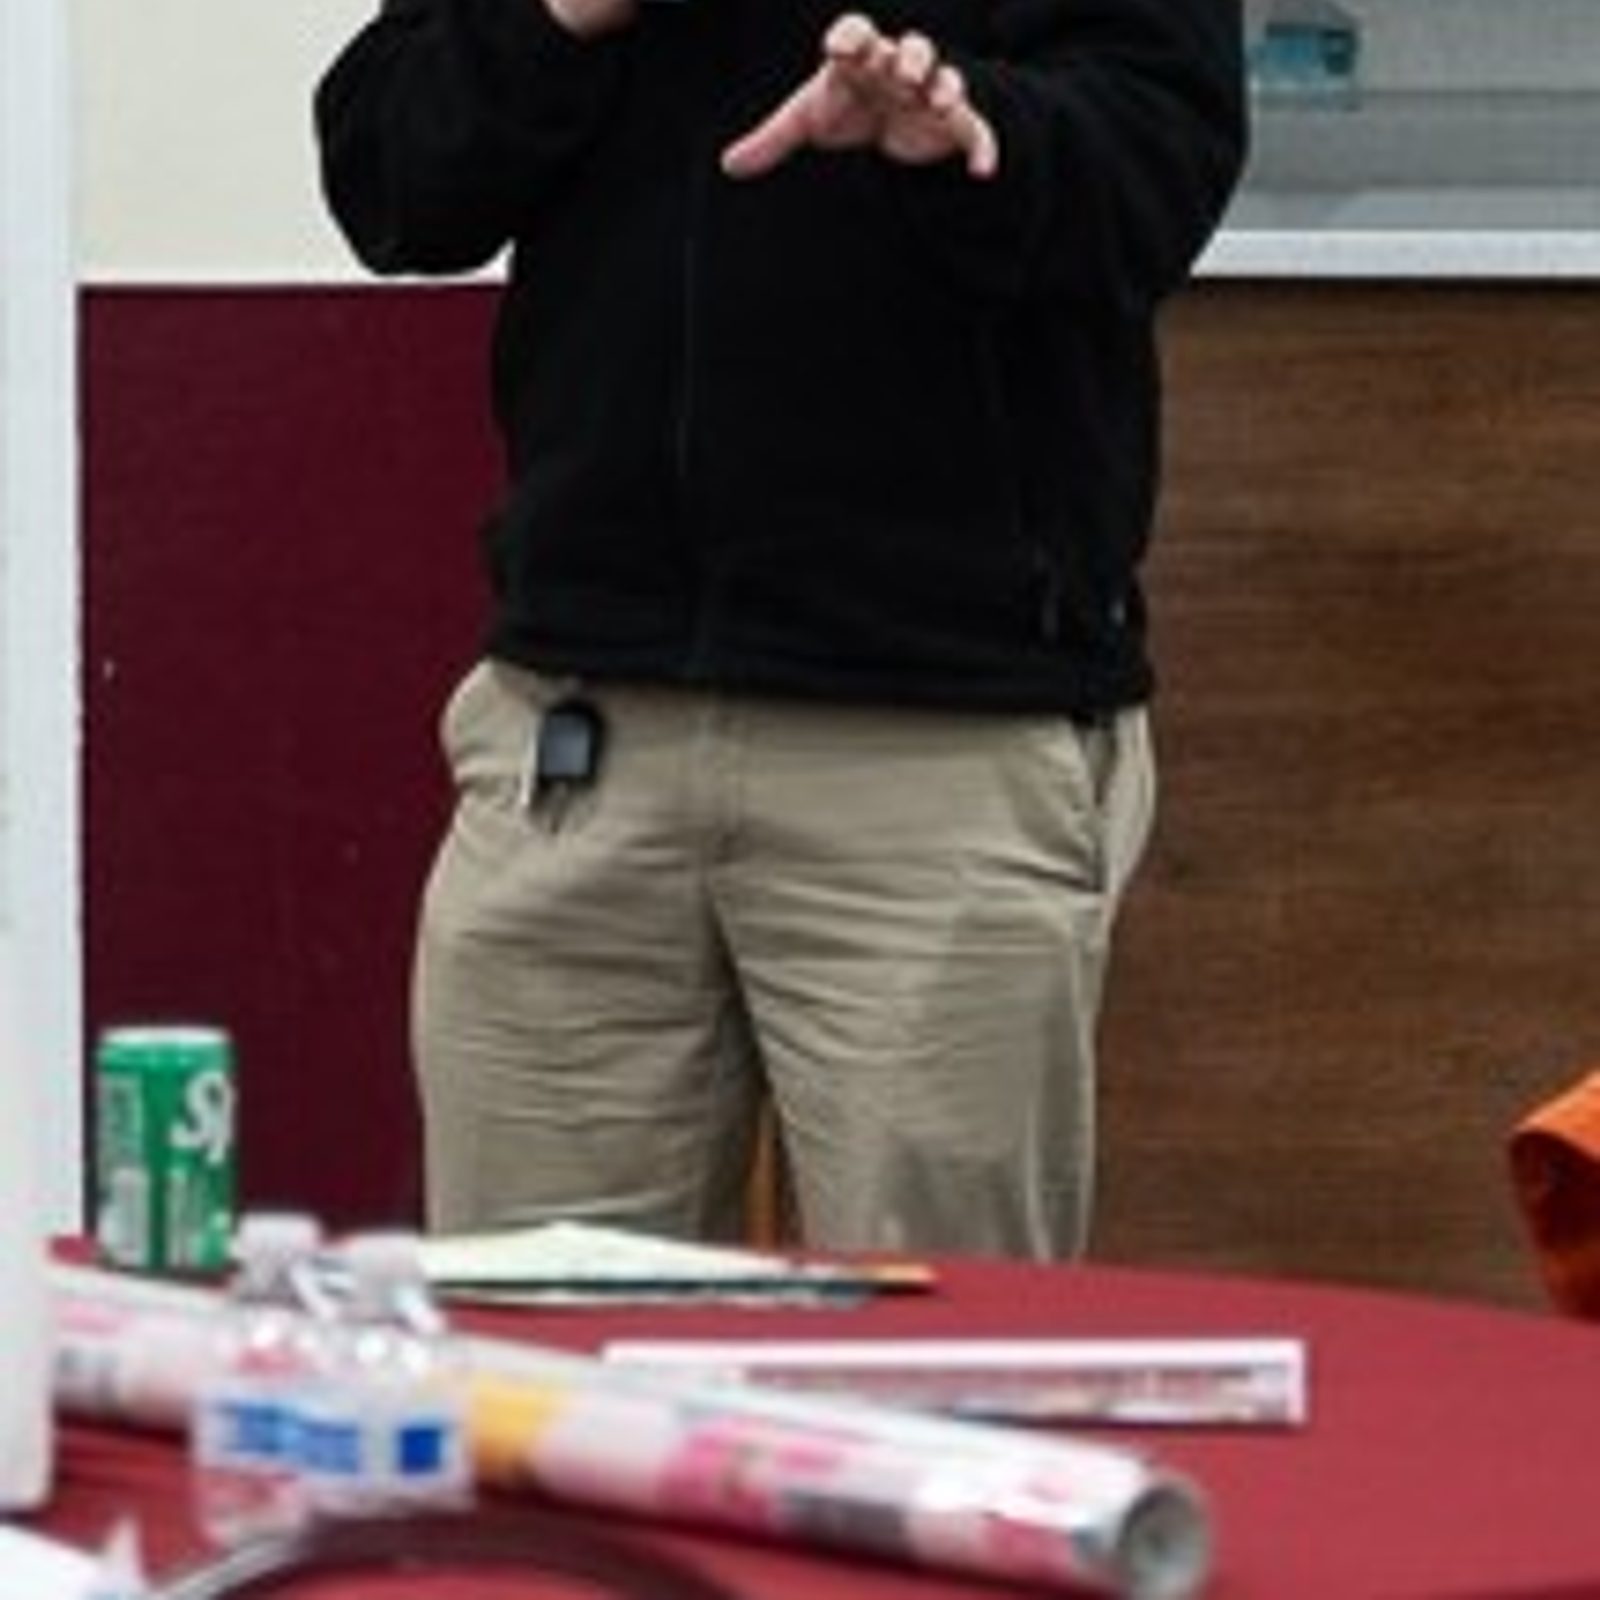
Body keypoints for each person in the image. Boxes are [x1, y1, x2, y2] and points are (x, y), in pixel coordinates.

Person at [314, 0, 1246, 1257]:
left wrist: (971, 135)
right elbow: (393, 179)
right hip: (579, 736)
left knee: (947, 1399)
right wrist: (559, 19)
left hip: (939, 747)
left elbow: (1158, 170)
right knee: (530, 1367)